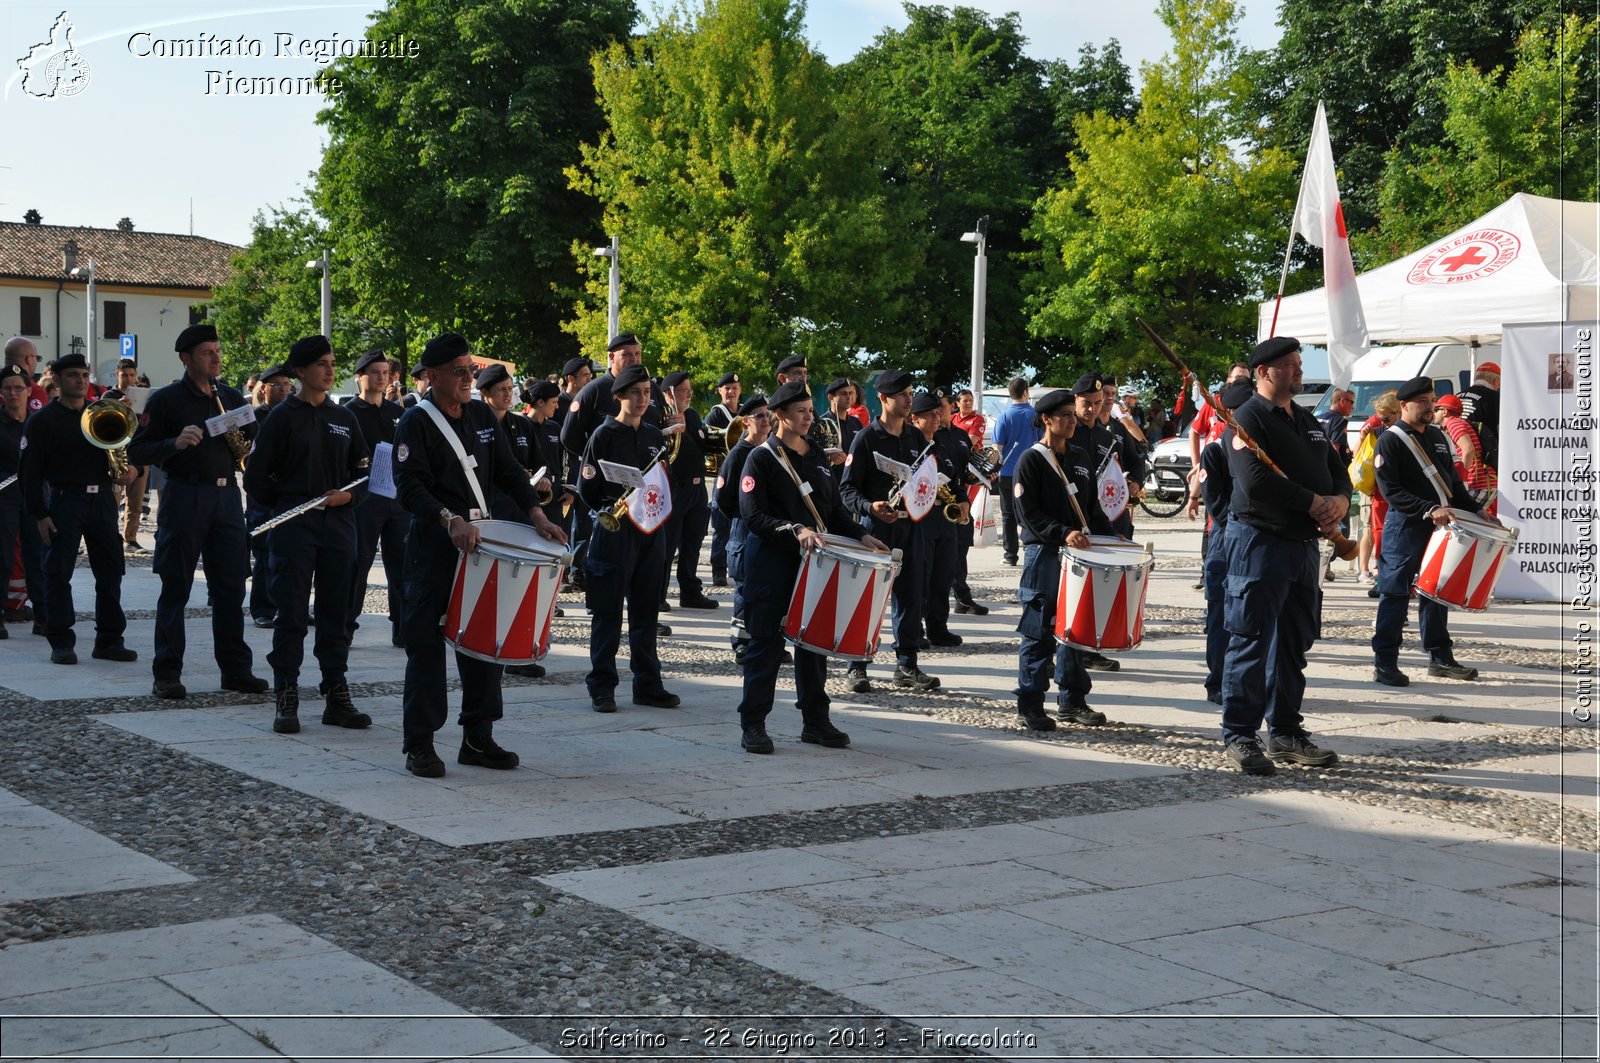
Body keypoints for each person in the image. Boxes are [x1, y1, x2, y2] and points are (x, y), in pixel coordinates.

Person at [393, 333, 567, 778]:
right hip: (436, 547)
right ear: (431, 377)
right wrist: (448, 519)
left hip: (480, 543)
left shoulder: (479, 414)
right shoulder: (415, 422)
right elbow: (409, 486)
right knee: (426, 648)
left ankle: (478, 736)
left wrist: (537, 514)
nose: (468, 378)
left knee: (484, 638)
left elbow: (508, 471)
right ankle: (421, 743)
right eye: (458, 372)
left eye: (470, 369)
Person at [1218, 336, 1349, 776]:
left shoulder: (1308, 420)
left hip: (1302, 547)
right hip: (1260, 542)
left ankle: (1286, 732)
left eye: (1298, 364)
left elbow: (1338, 473)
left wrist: (1341, 502)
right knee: (1251, 639)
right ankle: (1240, 734)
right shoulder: (1246, 419)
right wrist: (1312, 502)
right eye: (1290, 365)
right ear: (1264, 373)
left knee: (1294, 642)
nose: (1298, 371)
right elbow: (1256, 482)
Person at [735, 382, 883, 753]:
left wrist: (862, 536)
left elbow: (832, 512)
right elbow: (753, 516)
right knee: (765, 646)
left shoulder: (817, 456)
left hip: (815, 563)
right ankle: (753, 723)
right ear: (780, 415)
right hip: (771, 562)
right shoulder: (762, 458)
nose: (808, 417)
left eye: (810, 411)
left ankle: (815, 721)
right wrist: (794, 529)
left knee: (814, 643)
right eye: (801, 411)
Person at [128, 325, 266, 697]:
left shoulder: (233, 395)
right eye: (208, 352)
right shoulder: (166, 400)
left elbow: (253, 442)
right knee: (176, 587)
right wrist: (175, 442)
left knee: (230, 588)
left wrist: (251, 443)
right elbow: (137, 451)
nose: (217, 358)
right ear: (187, 359)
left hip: (225, 498)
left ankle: (236, 670)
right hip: (185, 495)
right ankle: (167, 672)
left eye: (218, 351)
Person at [244, 336, 372, 734]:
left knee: (337, 613)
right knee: (292, 615)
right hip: (293, 525)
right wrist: (288, 502)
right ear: (300, 371)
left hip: (338, 525)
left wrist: (346, 497)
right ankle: (287, 693)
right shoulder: (282, 417)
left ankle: (336, 692)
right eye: (321, 363)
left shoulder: (345, 418)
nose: (330, 370)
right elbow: (256, 479)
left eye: (333, 362)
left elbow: (364, 475)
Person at [21, 353, 140, 665]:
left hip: (101, 499)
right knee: (58, 572)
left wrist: (129, 469)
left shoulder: (101, 412)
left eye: (84, 375)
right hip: (64, 499)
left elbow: (123, 448)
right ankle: (61, 640)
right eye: (73, 375)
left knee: (111, 569)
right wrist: (39, 514)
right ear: (58, 381)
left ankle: (110, 640)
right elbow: (30, 473)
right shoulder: (42, 421)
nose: (81, 381)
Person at [576, 363, 680, 713]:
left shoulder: (653, 434)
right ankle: (602, 685)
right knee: (607, 611)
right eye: (635, 393)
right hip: (616, 532)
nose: (641, 399)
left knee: (646, 608)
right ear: (619, 396)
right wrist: (612, 504)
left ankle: (648, 683)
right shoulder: (602, 436)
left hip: (650, 532)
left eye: (647, 393)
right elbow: (586, 488)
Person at [1371, 377, 1489, 687]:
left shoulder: (1437, 436)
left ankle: (1440, 658)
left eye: (1431, 400)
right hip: (1406, 527)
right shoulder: (1391, 439)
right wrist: (1428, 508)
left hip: (1441, 529)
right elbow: (1390, 490)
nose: (1429, 406)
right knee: (1395, 595)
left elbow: (1452, 485)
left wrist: (1478, 512)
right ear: (1404, 405)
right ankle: (1384, 662)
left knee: (1437, 593)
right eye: (1422, 401)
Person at [1012, 386, 1114, 730]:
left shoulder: (1081, 457)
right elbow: (1028, 514)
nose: (1073, 421)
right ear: (1047, 420)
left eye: (1074, 414)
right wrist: (1062, 533)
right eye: (1065, 416)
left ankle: (1072, 700)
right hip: (1044, 553)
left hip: (1078, 555)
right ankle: (1030, 703)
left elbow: (1091, 509)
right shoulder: (1031, 459)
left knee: (1075, 630)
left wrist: (1114, 540)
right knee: (1038, 631)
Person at [841, 370, 938, 692]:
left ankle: (907, 664)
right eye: (902, 395)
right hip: (876, 531)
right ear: (883, 399)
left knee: (911, 597)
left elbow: (925, 484)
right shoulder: (866, 438)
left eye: (910, 393)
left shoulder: (915, 438)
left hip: (911, 529)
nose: (909, 400)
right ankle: (857, 664)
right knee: (867, 600)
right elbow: (847, 491)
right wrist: (870, 507)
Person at [342, 351, 407, 647]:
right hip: (363, 499)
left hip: (395, 498)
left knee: (402, 563)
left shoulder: (398, 413)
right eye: (375, 373)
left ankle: (402, 626)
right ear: (360, 376)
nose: (382, 378)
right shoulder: (349, 412)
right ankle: (346, 624)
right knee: (358, 562)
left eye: (385, 373)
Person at [1197, 381, 1256, 705]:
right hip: (1226, 539)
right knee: (1220, 617)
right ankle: (1217, 682)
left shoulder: (1259, 447)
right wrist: (1238, 527)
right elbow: (1215, 501)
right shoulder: (1217, 449)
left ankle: (1246, 680)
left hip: (1256, 538)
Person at [908, 390, 965, 647]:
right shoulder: (910, 446)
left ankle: (938, 627)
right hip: (922, 517)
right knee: (921, 576)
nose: (935, 418)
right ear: (915, 419)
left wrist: (963, 500)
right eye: (929, 415)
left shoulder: (942, 445)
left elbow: (956, 479)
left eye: (937, 413)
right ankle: (915, 630)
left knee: (943, 575)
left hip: (945, 517)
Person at [716, 394, 770, 662]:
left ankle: (763, 640)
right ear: (747, 421)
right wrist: (742, 517)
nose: (765, 420)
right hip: (744, 528)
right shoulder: (739, 454)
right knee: (744, 588)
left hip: (767, 529)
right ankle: (741, 642)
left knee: (766, 588)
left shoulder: (770, 450)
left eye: (767, 415)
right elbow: (722, 499)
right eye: (759, 416)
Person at [660, 370, 717, 610]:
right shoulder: (660, 417)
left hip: (697, 488)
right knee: (668, 544)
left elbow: (704, 443)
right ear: (669, 394)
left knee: (693, 542)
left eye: (690, 390)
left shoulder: (692, 416)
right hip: (674, 488)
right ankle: (658, 594)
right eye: (685, 391)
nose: (690, 395)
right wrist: (667, 431)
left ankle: (690, 591)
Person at [245, 363, 294, 629]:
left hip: (287, 493)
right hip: (263, 495)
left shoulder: (292, 414)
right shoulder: (253, 417)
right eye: (279, 385)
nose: (286, 389)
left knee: (291, 554)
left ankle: (289, 605)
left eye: (288, 385)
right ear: (264, 389)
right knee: (264, 554)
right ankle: (263, 608)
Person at [0, 365, 44, 638]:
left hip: (35, 497)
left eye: (19, 388)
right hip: (4, 499)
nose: (13, 393)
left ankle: (43, 616)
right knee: (2, 557)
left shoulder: (40, 422)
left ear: (29, 391)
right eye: (7, 388)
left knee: (38, 556)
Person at [944, 391, 989, 616]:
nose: (940, 412)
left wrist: (985, 470)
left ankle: (962, 598)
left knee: (961, 551)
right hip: (937, 508)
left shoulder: (960, 435)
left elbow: (969, 464)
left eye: (945, 407)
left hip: (961, 502)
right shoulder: (929, 436)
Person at [992, 376, 1038, 567]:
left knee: (1008, 514)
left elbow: (997, 449)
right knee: (1031, 511)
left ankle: (1010, 555)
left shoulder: (1004, 416)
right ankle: (1031, 548)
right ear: (1026, 392)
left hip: (1008, 472)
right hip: (1031, 471)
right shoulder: (1036, 415)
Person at [1355, 392, 1400, 587]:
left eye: (1386, 419)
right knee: (1375, 531)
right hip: (1379, 492)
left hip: (1394, 492)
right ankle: (1376, 571)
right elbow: (1359, 460)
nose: (1383, 422)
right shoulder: (1377, 429)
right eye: (1380, 419)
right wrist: (1364, 437)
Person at [106, 358, 151, 552]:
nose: (129, 379)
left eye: (132, 375)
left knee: (136, 500)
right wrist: (119, 407)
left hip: (138, 452)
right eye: (125, 375)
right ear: (118, 375)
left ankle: (130, 538)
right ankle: (108, 535)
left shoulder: (143, 395)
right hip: (117, 452)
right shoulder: (109, 394)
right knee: (112, 498)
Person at [704, 371, 742, 585]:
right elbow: (711, 444)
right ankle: (718, 569)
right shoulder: (715, 415)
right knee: (721, 526)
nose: (731, 391)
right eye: (727, 388)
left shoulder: (746, 412)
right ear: (720, 391)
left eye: (735, 388)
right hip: (725, 477)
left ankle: (737, 566)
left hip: (744, 476)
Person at [1435, 392, 1496, 516]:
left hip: (1479, 483)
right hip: (1482, 482)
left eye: (1437, 409)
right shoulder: (1458, 423)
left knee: (1465, 519)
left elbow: (1468, 449)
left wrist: (1461, 480)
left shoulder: (1453, 423)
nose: (1434, 413)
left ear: (1445, 411)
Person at [1319, 387, 1357, 582]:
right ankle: (1324, 564)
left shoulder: (1318, 417)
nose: (1353, 406)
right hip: (1334, 480)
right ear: (1341, 401)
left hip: (1316, 477)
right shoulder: (1338, 421)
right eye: (1351, 401)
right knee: (1337, 524)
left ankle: (1321, 565)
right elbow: (1335, 449)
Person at [1457, 360, 1500, 468]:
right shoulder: (1495, 398)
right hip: (1483, 462)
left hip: (1458, 455)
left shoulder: (1457, 396)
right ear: (1496, 381)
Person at [816, 378, 860, 477]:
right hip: (831, 478)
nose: (849, 397)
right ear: (831, 397)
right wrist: (830, 457)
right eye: (844, 393)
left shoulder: (856, 422)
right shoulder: (821, 423)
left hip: (853, 477)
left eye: (851, 393)